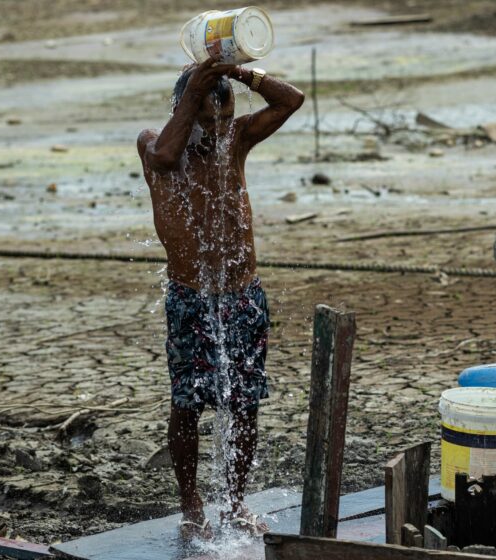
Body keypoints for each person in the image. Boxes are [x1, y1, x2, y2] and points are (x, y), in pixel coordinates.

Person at [136, 59, 304, 540]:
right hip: (192, 298)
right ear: (181, 107)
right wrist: (194, 93)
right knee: (187, 405)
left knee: (246, 404)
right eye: (205, 120)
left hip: (242, 295)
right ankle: (192, 506)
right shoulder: (155, 142)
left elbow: (291, 100)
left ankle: (232, 501)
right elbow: (168, 156)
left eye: (223, 118)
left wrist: (238, 72)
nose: (215, 130)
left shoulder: (237, 139)